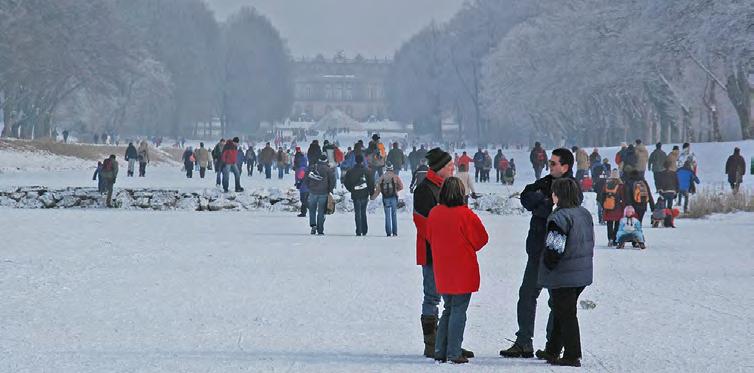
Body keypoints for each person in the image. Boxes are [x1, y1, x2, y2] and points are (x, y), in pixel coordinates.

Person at [500, 148, 581, 359]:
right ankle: (523, 341)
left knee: (556, 302)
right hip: (537, 252)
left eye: (554, 163)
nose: (550, 166)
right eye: (550, 163)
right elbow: (527, 196)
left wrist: (543, 205)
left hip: (558, 255)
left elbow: (560, 212)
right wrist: (543, 202)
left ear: (565, 167)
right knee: (527, 295)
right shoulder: (545, 182)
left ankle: (552, 346)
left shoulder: (572, 187)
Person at [414, 148, 474, 360]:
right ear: (439, 168)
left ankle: (448, 344)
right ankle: (432, 343)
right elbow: (423, 224)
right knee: (432, 296)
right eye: (449, 165)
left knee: (451, 300)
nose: (453, 168)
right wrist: (445, 242)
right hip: (432, 253)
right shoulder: (424, 190)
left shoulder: (446, 187)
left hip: (448, 255)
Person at [426, 177, 489, 364]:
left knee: (448, 308)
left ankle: (440, 349)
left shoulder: (434, 213)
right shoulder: (465, 215)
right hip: (462, 269)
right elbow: (481, 239)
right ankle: (454, 352)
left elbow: (428, 236)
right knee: (459, 311)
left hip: (442, 268)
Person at [536, 178, 594, 367]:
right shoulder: (584, 213)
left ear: (558, 196)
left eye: (554, 193)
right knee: (562, 311)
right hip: (582, 273)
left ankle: (572, 354)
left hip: (564, 274)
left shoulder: (559, 218)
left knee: (566, 314)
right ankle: (552, 349)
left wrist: (547, 266)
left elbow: (555, 248)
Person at [343, 154, 375, 236]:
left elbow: (346, 182)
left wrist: (351, 189)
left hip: (355, 194)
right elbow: (371, 183)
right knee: (363, 212)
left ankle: (358, 230)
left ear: (355, 161)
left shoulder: (350, 171)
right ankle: (364, 230)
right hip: (365, 194)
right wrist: (371, 193)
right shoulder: (367, 171)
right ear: (362, 161)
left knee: (357, 213)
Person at [305, 154, 335, 235]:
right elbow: (332, 181)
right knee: (321, 211)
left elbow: (306, 178)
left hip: (312, 192)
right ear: (326, 160)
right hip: (323, 193)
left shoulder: (312, 167)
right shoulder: (328, 170)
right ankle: (320, 229)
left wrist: (309, 187)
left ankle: (313, 225)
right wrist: (330, 190)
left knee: (312, 210)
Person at [372, 163, 403, 237]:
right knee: (394, 214)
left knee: (387, 215)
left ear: (386, 168)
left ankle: (388, 233)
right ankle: (395, 232)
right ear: (392, 168)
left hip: (385, 198)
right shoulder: (395, 176)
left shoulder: (382, 177)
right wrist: (395, 190)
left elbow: (378, 189)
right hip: (394, 197)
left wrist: (372, 197)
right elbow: (401, 186)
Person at [600, 169, 625, 247]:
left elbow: (602, 196)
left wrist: (603, 205)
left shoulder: (606, 185)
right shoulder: (621, 186)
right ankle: (614, 239)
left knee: (609, 224)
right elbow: (623, 197)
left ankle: (610, 238)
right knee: (617, 224)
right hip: (618, 208)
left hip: (608, 207)